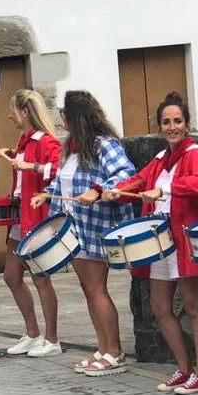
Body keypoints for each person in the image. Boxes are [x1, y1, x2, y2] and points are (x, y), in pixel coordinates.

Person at [103, 93, 198, 393]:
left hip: (184, 237)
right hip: (161, 238)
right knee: (159, 306)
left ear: (187, 124)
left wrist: (164, 190)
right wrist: (113, 191)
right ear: (159, 126)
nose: (172, 127)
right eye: (166, 122)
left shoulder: (195, 152)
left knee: (193, 306)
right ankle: (184, 368)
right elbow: (139, 181)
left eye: (177, 121)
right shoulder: (160, 158)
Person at [31, 90, 135, 376]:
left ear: (75, 116)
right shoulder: (72, 147)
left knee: (96, 289)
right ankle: (103, 347)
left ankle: (115, 351)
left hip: (96, 226)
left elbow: (125, 175)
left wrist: (98, 190)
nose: (61, 117)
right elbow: (63, 183)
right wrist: (46, 193)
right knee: (89, 290)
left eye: (64, 112)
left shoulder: (104, 144)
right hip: (74, 228)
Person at [0, 89, 62, 357]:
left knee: (41, 279)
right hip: (21, 215)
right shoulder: (24, 140)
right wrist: (9, 153)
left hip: (36, 217)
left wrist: (31, 167)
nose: (10, 116)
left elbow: (57, 170)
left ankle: (52, 339)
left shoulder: (46, 141)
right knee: (11, 276)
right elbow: (25, 161)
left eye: (13, 110)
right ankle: (32, 333)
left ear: (24, 111)